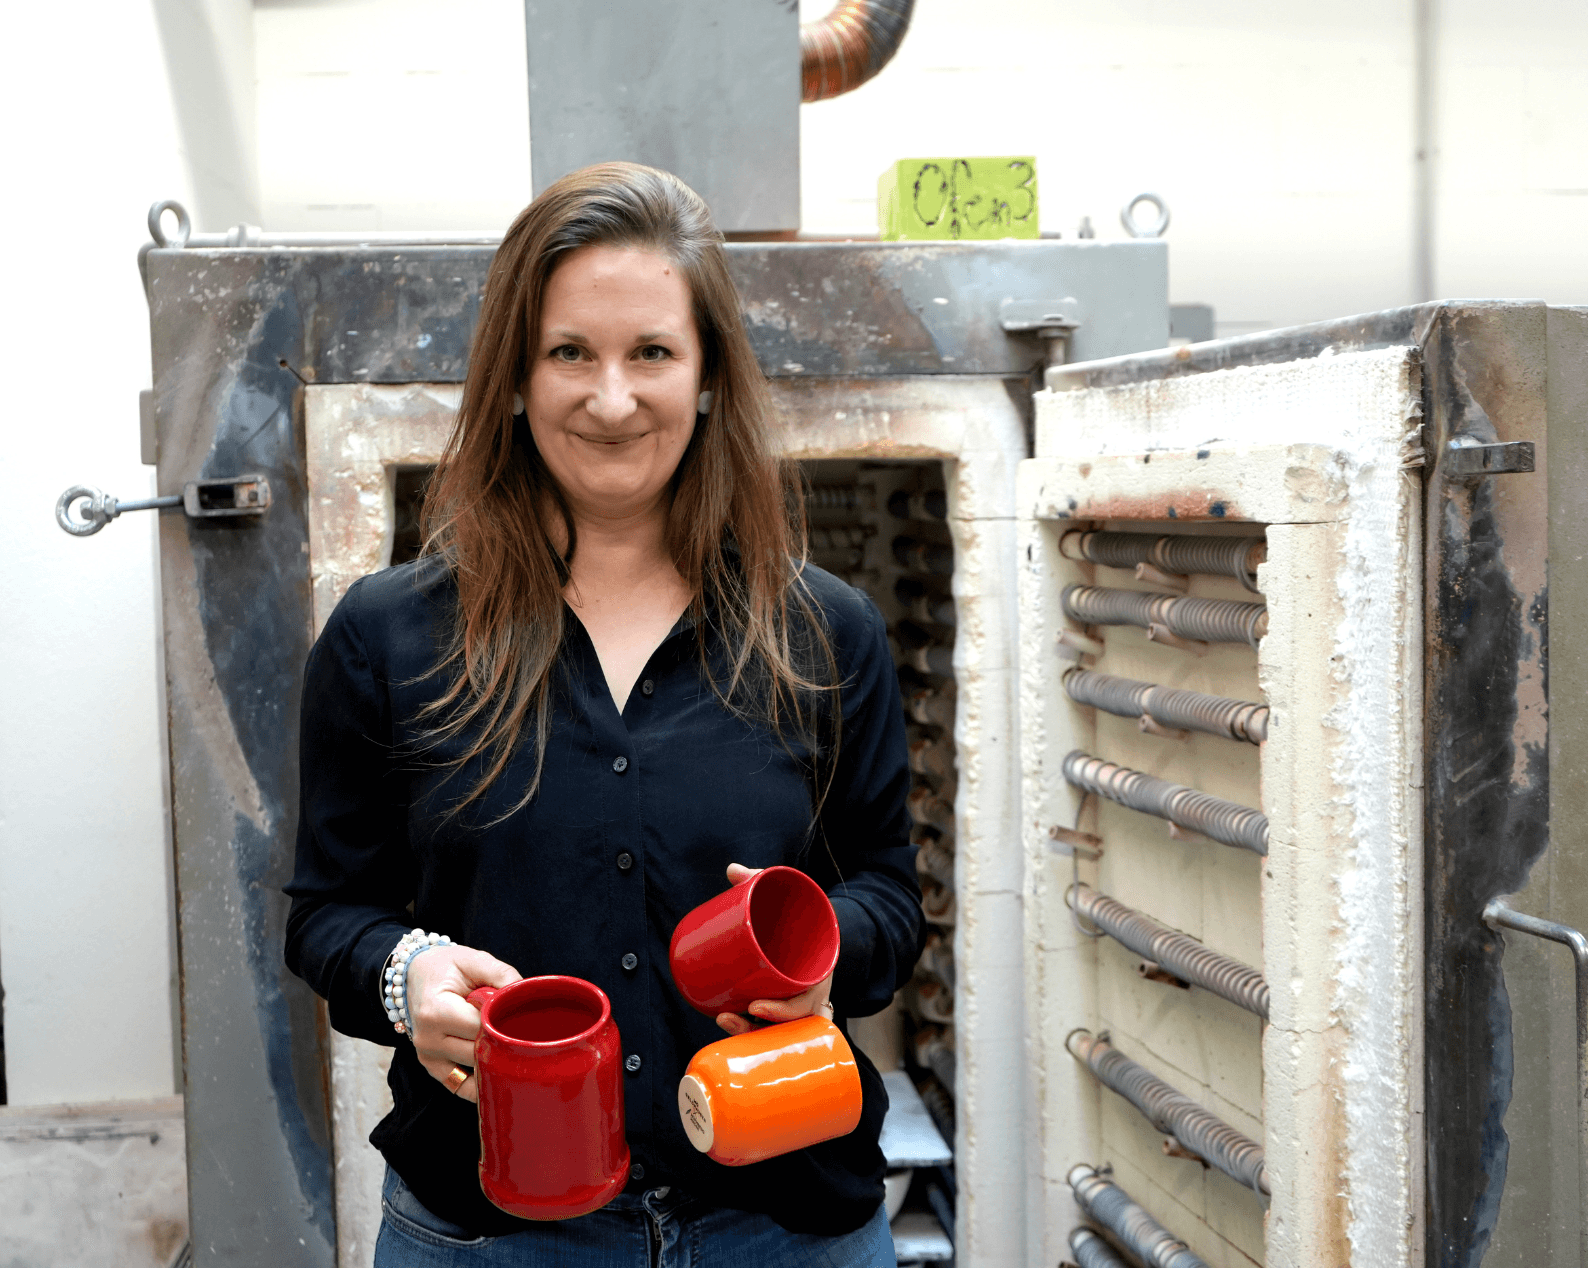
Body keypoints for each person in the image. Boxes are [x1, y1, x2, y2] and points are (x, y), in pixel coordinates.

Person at [284, 161, 923, 1267]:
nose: (612, 397)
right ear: (516, 377)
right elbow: (326, 913)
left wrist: (828, 959)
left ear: (709, 375)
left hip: (782, 1225)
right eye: (570, 351)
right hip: (492, 1231)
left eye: (653, 354)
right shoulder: (388, 634)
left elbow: (888, 897)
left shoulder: (825, 632)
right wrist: (409, 977)